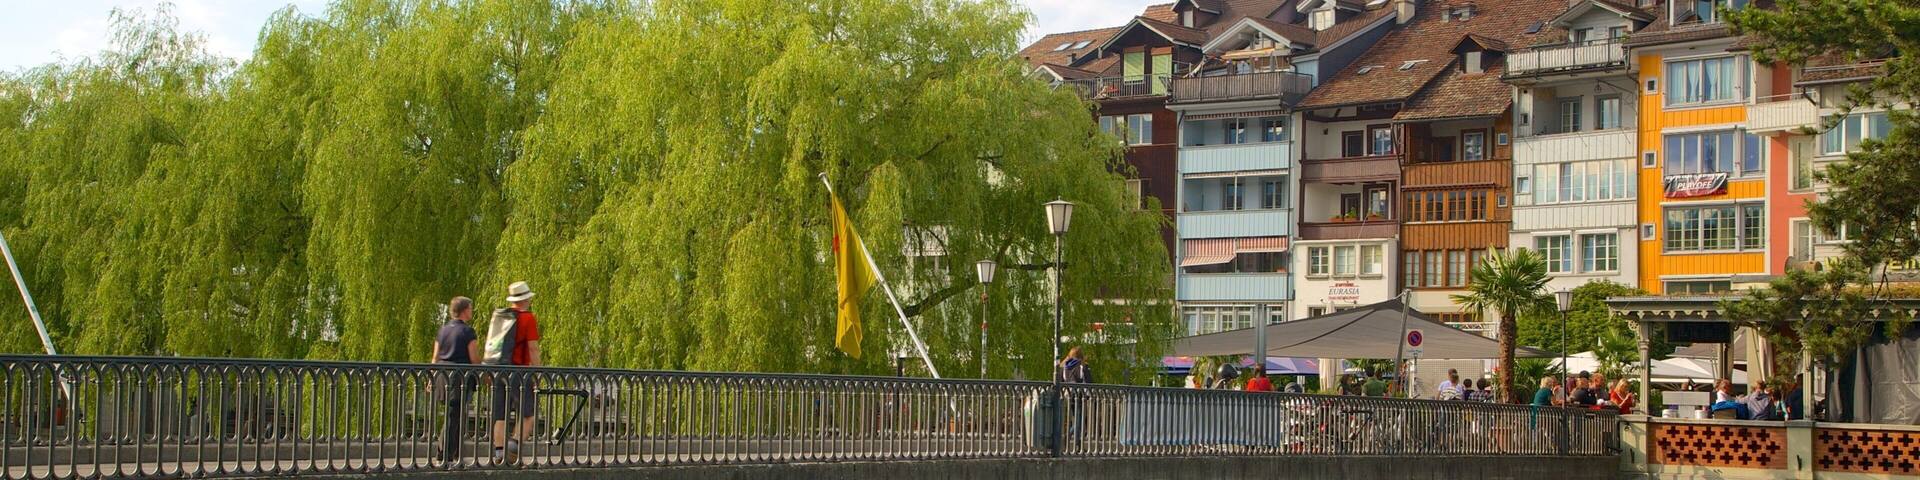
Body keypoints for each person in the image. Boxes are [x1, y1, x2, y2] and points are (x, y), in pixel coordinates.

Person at [491, 281, 542, 465]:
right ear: (526, 299)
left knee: (500, 415)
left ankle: (499, 454)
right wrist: (539, 373)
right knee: (528, 414)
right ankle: (513, 450)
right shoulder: (527, 318)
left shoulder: (500, 317)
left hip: (498, 370)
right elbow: (533, 348)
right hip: (520, 372)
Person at [432, 296, 482, 465]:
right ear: (464, 310)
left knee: (453, 414)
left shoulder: (443, 330)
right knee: (455, 416)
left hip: (442, 374)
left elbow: (435, 357)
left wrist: (431, 379)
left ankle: (452, 453)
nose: (472, 311)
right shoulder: (468, 332)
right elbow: (474, 357)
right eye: (470, 308)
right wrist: (484, 374)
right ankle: (444, 455)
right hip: (460, 376)